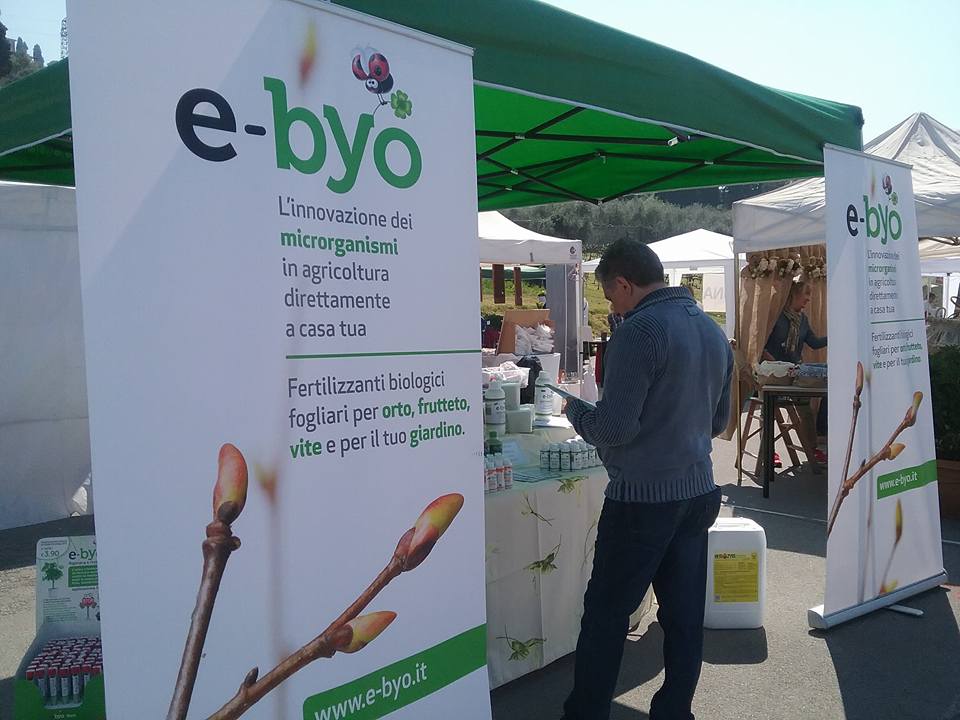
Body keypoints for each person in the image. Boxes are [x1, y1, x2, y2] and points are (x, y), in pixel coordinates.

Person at [561, 238, 733, 720]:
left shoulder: (639, 331)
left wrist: (577, 412)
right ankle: (675, 711)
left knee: (605, 616)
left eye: (610, 297)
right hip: (698, 490)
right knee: (683, 618)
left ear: (624, 283)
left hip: (642, 498)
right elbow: (720, 421)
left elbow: (615, 428)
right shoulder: (711, 329)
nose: (612, 309)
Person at [762, 278, 827, 462]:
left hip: (795, 371)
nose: (808, 300)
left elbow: (813, 343)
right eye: (806, 295)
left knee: (805, 410)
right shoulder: (777, 316)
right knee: (769, 410)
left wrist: (834, 337)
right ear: (794, 295)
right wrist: (775, 364)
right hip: (773, 372)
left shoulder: (802, 320)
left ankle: (812, 449)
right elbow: (762, 345)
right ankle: (768, 452)